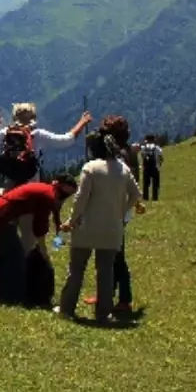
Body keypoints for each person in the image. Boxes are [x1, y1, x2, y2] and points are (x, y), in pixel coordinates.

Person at [57, 125, 143, 322]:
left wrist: (72, 221)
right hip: (112, 228)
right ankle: (104, 312)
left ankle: (66, 309)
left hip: (87, 227)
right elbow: (136, 194)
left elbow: (80, 199)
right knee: (106, 272)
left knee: (76, 270)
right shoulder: (123, 168)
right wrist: (121, 212)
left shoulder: (90, 168)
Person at [0, 174, 78, 306]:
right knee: (14, 260)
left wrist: (58, 239)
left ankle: (6, 296)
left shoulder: (47, 190)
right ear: (62, 186)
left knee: (6, 257)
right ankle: (11, 299)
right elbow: (40, 227)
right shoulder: (48, 195)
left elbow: (53, 220)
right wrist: (44, 252)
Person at [0, 103, 91, 188]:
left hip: (10, 182)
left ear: (15, 117)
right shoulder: (38, 135)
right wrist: (82, 122)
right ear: (33, 118)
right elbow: (66, 140)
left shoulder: (6, 132)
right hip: (31, 183)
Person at [140, 135, 164, 200]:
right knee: (155, 185)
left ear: (146, 140)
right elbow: (161, 158)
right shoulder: (157, 148)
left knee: (146, 185)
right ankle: (155, 198)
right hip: (155, 168)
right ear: (154, 140)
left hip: (146, 168)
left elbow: (142, 156)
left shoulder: (143, 148)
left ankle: (145, 198)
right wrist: (159, 165)